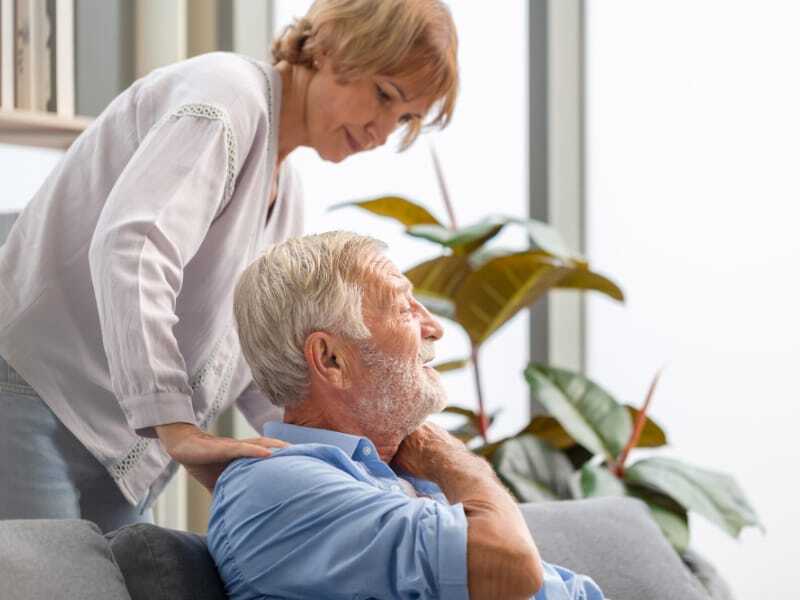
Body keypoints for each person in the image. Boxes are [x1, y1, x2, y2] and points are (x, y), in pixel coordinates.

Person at [0, 0, 458, 532]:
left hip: (116, 442)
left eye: (404, 119)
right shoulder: (225, 96)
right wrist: (176, 425)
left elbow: (260, 361)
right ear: (333, 44)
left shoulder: (287, 198)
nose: (383, 129)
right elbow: (135, 248)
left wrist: (338, 461)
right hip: (35, 394)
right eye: (384, 95)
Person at [207, 231, 605, 600]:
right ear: (331, 359)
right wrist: (452, 460)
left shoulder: (402, 473)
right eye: (404, 309)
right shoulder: (273, 485)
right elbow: (508, 567)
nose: (434, 328)